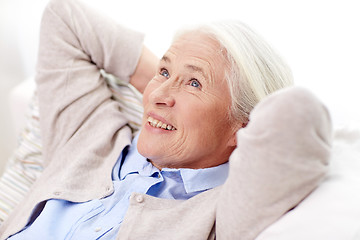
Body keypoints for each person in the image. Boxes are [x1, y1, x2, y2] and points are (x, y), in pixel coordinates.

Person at [0, 0, 332, 239]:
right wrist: (162, 88)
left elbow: (299, 112)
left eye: (195, 83)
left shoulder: (224, 213)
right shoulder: (90, 136)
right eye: (163, 69)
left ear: (243, 125)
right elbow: (64, 17)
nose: (159, 94)